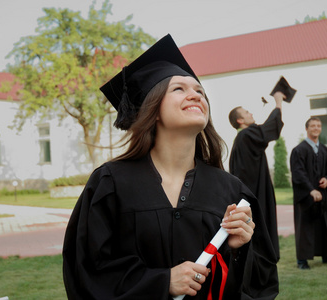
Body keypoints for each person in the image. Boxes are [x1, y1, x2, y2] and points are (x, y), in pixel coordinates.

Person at [62, 34, 279, 299]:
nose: (195, 95)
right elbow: (87, 273)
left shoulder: (230, 191)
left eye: (199, 91)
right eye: (179, 89)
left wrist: (237, 250)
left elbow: (261, 284)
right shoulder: (111, 184)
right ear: (152, 109)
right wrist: (161, 281)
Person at [228, 92, 285, 261]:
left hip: (251, 195)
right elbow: (266, 131)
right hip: (255, 196)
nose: (251, 113)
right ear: (240, 121)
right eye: (246, 113)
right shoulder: (246, 136)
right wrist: (278, 104)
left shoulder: (242, 139)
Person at [289, 117, 327, 270]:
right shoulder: (299, 150)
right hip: (306, 196)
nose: (316, 128)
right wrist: (311, 190)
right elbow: (298, 173)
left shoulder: (325, 150)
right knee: (305, 226)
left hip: (323, 194)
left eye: (318, 126)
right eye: (313, 126)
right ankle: (302, 260)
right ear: (307, 129)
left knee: (326, 224)